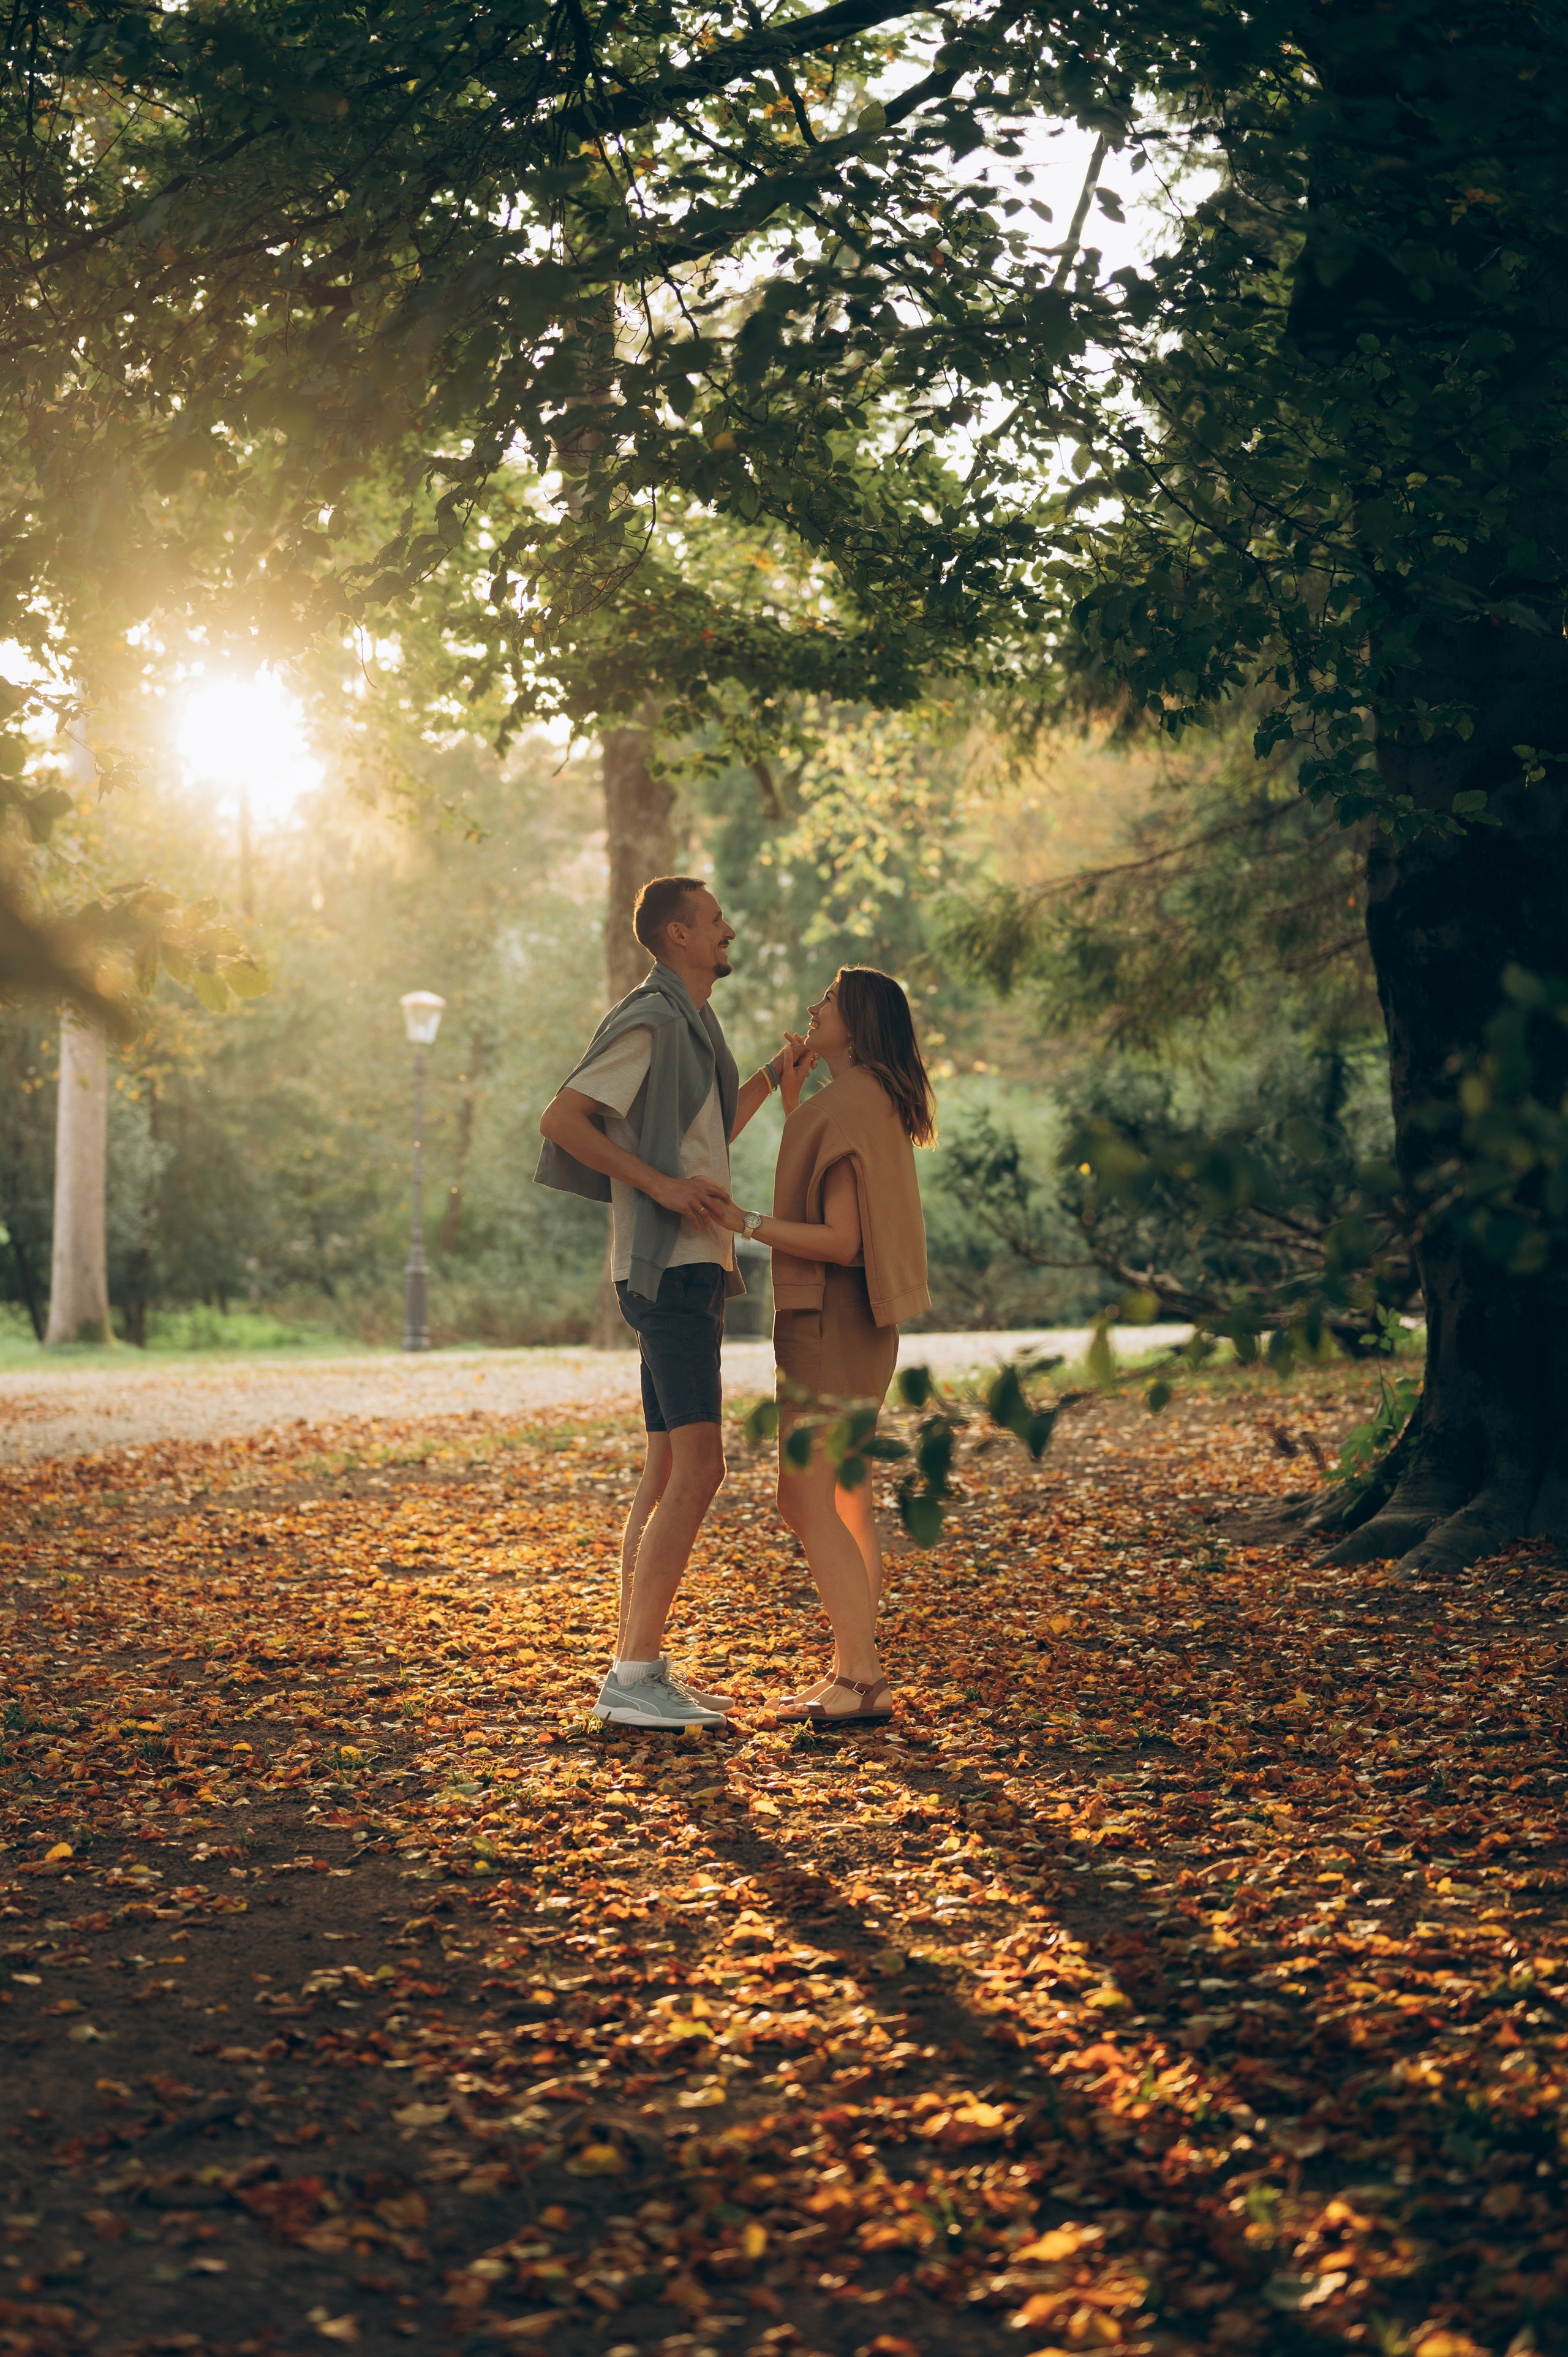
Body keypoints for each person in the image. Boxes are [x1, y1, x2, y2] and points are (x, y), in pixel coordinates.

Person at [536, 876, 791, 1730]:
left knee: (667, 1468)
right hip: (668, 1270)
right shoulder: (648, 1020)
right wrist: (659, 1188)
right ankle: (633, 1675)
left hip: (690, 1266)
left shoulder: (694, 1024)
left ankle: (633, 1664)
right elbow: (563, 1119)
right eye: (716, 918)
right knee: (702, 1466)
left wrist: (772, 1076)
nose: (728, 928)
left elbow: (710, 1133)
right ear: (680, 934)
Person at [713, 967, 934, 1725]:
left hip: (828, 1324)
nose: (813, 1007)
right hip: (865, 1326)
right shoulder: (872, 1098)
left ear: (859, 1020)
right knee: (845, 1496)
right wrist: (793, 1103)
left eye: (829, 1001)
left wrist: (739, 1221)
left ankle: (863, 1677)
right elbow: (840, 1184)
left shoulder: (846, 1105)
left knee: (803, 1498)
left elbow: (840, 1239)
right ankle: (851, 1668)